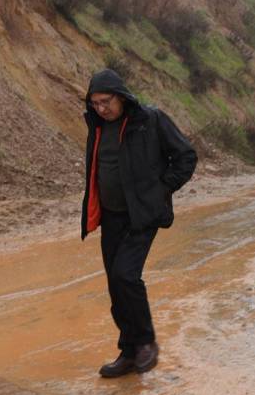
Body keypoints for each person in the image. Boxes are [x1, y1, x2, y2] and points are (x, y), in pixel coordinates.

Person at [81, 68, 197, 378]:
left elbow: (186, 156)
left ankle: (146, 342)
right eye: (95, 103)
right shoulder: (96, 126)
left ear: (121, 97)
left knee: (126, 275)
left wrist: (160, 190)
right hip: (111, 216)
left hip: (142, 214)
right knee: (115, 284)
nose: (101, 109)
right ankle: (129, 351)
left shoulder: (150, 119)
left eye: (106, 102)